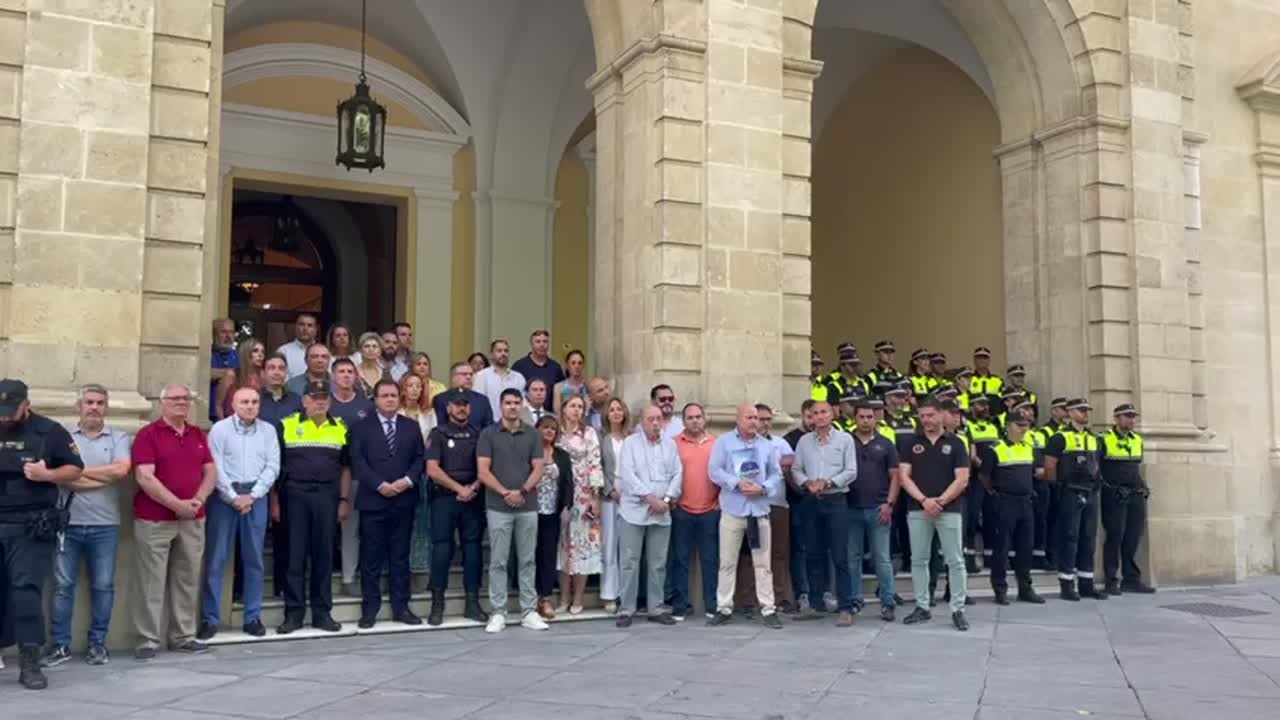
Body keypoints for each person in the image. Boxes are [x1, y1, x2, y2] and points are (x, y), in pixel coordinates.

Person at [0, 380, 84, 688]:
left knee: (25, 592)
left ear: (26, 404)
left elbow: (75, 468)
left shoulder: (49, 432)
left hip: (29, 526)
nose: (5, 417)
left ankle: (30, 662)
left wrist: (47, 474)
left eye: (11, 410)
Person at [45, 385, 131, 668]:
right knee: (63, 587)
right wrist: (95, 477)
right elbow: (56, 476)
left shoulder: (118, 437)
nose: (94, 407)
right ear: (78, 406)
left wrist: (75, 471)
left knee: (103, 586)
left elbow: (120, 470)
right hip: (67, 524)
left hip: (104, 524)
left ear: (107, 406)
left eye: (100, 402)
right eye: (89, 402)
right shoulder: (61, 436)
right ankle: (59, 645)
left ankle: (98, 644)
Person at [132, 384, 216, 659]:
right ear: (162, 403)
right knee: (151, 581)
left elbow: (211, 472)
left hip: (193, 519)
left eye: (186, 398)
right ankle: (147, 640)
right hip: (155, 520)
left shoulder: (198, 434)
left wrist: (198, 500)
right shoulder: (148, 435)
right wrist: (177, 505)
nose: (182, 403)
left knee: (188, 578)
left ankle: (183, 636)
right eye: (175, 399)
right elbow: (145, 477)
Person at [199, 386, 280, 640]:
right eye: (244, 401)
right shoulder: (220, 429)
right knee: (216, 559)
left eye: (255, 401)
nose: (250, 406)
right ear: (233, 404)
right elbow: (215, 465)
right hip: (224, 498)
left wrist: (253, 495)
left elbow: (273, 465)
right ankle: (210, 619)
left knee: (254, 559)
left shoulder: (268, 430)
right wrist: (233, 497)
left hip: (256, 497)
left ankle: (252, 617)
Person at [350, 380, 426, 628]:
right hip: (374, 500)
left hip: (403, 500)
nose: (390, 399)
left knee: (400, 557)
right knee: (371, 558)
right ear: (375, 399)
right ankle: (369, 610)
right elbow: (357, 461)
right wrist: (380, 484)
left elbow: (419, 459)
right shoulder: (361, 427)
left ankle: (401, 608)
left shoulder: (411, 427)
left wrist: (406, 481)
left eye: (394, 395)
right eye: (385, 396)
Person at [277, 382, 351, 634]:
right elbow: (277, 468)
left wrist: (343, 499)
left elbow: (345, 468)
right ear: (304, 400)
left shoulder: (340, 428)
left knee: (324, 555)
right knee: (294, 556)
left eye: (324, 398)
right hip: (295, 495)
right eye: (315, 397)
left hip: (327, 496)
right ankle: (294, 614)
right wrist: (276, 502)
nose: (320, 402)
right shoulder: (287, 425)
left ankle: (322, 613)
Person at [477, 389, 548, 633]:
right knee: (498, 560)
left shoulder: (532, 434)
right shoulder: (488, 434)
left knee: (528, 559)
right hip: (498, 506)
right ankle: (498, 612)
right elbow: (483, 471)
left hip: (527, 506)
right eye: (508, 403)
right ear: (501, 406)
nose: (513, 407)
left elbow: (539, 468)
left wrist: (523, 491)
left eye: (517, 403)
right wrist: (506, 493)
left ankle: (529, 611)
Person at [707, 403, 783, 628]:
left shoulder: (766, 446)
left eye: (757, 418)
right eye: (749, 417)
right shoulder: (724, 442)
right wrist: (736, 483)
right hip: (733, 509)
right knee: (727, 562)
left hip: (759, 510)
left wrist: (764, 489)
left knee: (763, 563)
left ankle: (768, 609)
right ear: (738, 419)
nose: (754, 422)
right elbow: (714, 470)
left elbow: (776, 474)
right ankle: (724, 607)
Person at [898, 399, 971, 631]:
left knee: (955, 560)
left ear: (941, 415)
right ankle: (922, 606)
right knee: (919, 560)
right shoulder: (910, 443)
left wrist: (940, 501)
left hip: (948, 509)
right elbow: (903, 477)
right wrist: (923, 500)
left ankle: (957, 608)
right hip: (918, 509)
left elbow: (962, 478)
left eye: (930, 415)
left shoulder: (957, 443)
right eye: (922, 416)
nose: (926, 420)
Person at [791, 399, 858, 626]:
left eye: (824, 412)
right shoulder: (804, 441)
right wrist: (806, 483)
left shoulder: (845, 439)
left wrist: (829, 482)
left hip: (836, 500)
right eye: (815, 413)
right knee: (812, 553)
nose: (819, 416)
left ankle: (846, 606)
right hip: (812, 500)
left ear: (833, 415)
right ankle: (815, 602)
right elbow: (796, 468)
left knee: (840, 555)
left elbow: (851, 471)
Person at [425, 390, 489, 625]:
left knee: (472, 549)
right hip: (445, 497)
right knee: (442, 548)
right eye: (456, 405)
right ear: (448, 408)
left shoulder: (479, 434)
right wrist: (458, 489)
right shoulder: (438, 433)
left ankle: (472, 602)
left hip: (473, 497)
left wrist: (472, 487)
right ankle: (437, 602)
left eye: (465, 405)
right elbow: (432, 469)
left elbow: (487, 465)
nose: (461, 409)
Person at [616, 404, 682, 628]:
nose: (655, 423)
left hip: (661, 512)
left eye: (659, 419)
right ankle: (626, 609)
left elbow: (677, 473)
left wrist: (665, 499)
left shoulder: (670, 445)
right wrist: (649, 497)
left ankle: (656, 607)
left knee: (658, 563)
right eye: (651, 419)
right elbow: (627, 474)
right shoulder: (630, 443)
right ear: (642, 421)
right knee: (629, 562)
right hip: (634, 510)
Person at [977, 413, 1046, 605]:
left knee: (1026, 547)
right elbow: (984, 476)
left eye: (1026, 425)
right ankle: (1000, 589)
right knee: (1002, 547)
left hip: (1025, 502)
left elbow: (1038, 471)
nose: (1024, 429)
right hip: (1005, 502)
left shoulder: (1029, 448)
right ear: (1008, 426)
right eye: (1019, 425)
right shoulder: (995, 449)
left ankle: (1025, 588)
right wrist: (995, 493)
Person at [736, 404, 797, 614]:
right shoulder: (744, 444)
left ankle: (778, 598)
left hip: (778, 504)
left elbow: (790, 465)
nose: (764, 423)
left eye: (768, 419)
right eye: (760, 419)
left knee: (778, 553)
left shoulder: (781, 443)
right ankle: (749, 601)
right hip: (752, 505)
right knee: (750, 555)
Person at [1044, 398, 1105, 601]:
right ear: (1069, 413)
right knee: (1070, 537)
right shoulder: (1060, 437)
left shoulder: (1094, 438)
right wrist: (1059, 488)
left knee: (1088, 537)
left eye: (1087, 410)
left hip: (1090, 491)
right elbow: (1050, 466)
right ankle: (1067, 584)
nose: (1085, 414)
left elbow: (1097, 463)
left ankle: (1086, 583)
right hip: (1070, 491)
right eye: (1080, 410)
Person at [846, 400, 900, 621]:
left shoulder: (886, 443)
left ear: (875, 418)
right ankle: (855, 600)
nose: (866, 421)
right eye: (862, 417)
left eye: (870, 417)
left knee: (882, 559)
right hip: (850, 509)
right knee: (852, 558)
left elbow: (895, 475)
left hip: (879, 508)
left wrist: (890, 503)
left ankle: (888, 602)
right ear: (855, 418)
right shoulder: (845, 441)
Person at [329, 358, 374, 595]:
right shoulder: (325, 404)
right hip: (327, 475)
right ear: (333, 377)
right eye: (341, 371)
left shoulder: (366, 406)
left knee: (351, 529)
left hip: (357, 475)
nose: (346, 375)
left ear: (356, 377)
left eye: (350, 371)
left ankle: (348, 577)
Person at [556, 395, 605, 613]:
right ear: (564, 408)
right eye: (572, 406)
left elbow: (595, 464)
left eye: (580, 407)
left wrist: (595, 497)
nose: (576, 410)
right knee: (563, 547)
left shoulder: (589, 433)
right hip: (560, 495)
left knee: (583, 547)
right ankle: (563, 598)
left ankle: (578, 598)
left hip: (584, 496)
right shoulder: (555, 433)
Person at [1100, 404, 1155, 595]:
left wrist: (1143, 487)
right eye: (1127, 416)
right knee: (1115, 536)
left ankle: (1131, 578)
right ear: (1116, 418)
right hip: (1115, 495)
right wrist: (1109, 489)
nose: (1132, 420)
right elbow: (1097, 469)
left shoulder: (1136, 440)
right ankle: (1111, 580)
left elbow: (1134, 468)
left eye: (1133, 417)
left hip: (1134, 493)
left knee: (1132, 537)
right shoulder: (1104, 439)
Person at [670, 403, 718, 620]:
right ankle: (680, 606)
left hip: (710, 509)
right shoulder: (673, 445)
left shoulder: (716, 444)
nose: (695, 421)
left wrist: (719, 502)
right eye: (690, 418)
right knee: (680, 560)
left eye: (698, 417)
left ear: (705, 419)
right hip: (682, 510)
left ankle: (712, 606)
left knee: (711, 560)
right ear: (683, 421)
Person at [259, 355, 301, 598]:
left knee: (285, 533)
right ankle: (242, 587)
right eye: (271, 368)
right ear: (263, 372)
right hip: (255, 471)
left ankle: (282, 585)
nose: (276, 372)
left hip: (287, 473)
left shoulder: (296, 402)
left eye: (281, 368)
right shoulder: (255, 399)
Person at [533, 416, 573, 619]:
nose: (549, 432)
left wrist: (567, 507)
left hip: (552, 512)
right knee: (528, 554)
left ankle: (545, 598)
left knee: (548, 555)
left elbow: (568, 483)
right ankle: (528, 596)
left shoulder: (562, 455)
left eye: (553, 429)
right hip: (530, 511)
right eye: (545, 428)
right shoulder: (528, 452)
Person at [783, 400, 818, 614]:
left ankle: (822, 592)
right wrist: (804, 490)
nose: (815, 420)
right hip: (798, 503)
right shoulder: (790, 439)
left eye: (818, 415)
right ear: (803, 415)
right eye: (810, 415)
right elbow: (788, 473)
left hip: (824, 502)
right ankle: (802, 593)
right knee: (800, 550)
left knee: (823, 548)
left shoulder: (827, 438)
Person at [400, 373, 435, 575]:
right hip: (399, 469)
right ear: (402, 388)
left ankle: (419, 564)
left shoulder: (428, 414)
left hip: (422, 471)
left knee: (422, 519)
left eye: (418, 386)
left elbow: (430, 443)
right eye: (410, 385)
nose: (414, 389)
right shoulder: (396, 412)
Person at [597, 397, 629, 613]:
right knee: (609, 545)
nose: (616, 413)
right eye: (612, 410)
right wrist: (610, 490)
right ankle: (609, 594)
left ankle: (626, 594)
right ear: (607, 415)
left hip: (632, 496)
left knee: (628, 547)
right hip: (610, 496)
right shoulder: (602, 439)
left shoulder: (633, 438)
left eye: (619, 409)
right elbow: (598, 468)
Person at [512, 329, 566, 411]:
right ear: (531, 344)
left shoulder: (556, 368)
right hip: (525, 416)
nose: (542, 345)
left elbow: (561, 393)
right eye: (538, 341)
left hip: (549, 416)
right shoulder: (519, 366)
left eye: (545, 341)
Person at [433, 361, 495, 430]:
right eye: (464, 374)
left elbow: (489, 428)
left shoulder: (482, 400)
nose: (468, 377)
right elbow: (441, 427)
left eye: (471, 374)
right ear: (453, 377)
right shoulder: (441, 399)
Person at [475, 339, 527, 418]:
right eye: (499, 351)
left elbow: (523, 405)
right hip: (489, 426)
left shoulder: (518, 378)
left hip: (513, 425)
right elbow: (478, 404)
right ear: (491, 355)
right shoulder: (481, 376)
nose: (503, 354)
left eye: (506, 351)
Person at [217, 337, 263, 420]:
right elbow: (218, 405)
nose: (260, 355)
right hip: (232, 423)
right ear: (246, 353)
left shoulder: (262, 376)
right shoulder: (232, 374)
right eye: (255, 351)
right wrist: (224, 425)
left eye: (262, 352)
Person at [210, 318, 239, 422]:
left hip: (234, 416)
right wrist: (226, 373)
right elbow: (200, 374)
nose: (228, 336)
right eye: (223, 332)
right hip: (211, 416)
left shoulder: (238, 356)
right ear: (214, 333)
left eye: (231, 332)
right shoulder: (207, 354)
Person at [276, 313, 318, 378]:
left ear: (315, 330)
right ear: (296, 327)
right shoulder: (283, 351)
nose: (305, 328)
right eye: (301, 324)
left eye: (310, 325)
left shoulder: (324, 352)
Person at [552, 349, 589, 415]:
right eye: (573, 363)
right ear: (567, 365)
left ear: (583, 365)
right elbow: (557, 411)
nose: (576, 366)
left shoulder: (588, 386)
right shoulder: (558, 387)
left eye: (580, 363)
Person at [356, 332, 389, 398]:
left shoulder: (386, 372)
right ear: (360, 350)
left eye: (374, 346)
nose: (371, 350)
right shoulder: (354, 372)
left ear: (380, 351)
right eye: (367, 346)